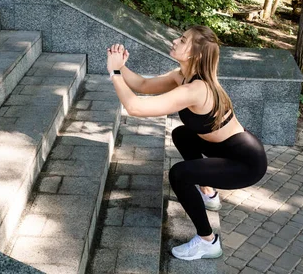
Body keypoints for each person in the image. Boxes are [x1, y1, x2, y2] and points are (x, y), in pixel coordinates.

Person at [106, 25, 268, 261]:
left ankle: (207, 241)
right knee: (182, 134)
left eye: (182, 40)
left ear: (195, 54)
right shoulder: (182, 76)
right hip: (225, 148)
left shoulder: (196, 89)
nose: (174, 41)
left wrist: (114, 73)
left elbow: (135, 107)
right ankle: (208, 191)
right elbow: (142, 86)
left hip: (246, 162)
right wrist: (121, 66)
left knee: (179, 174)